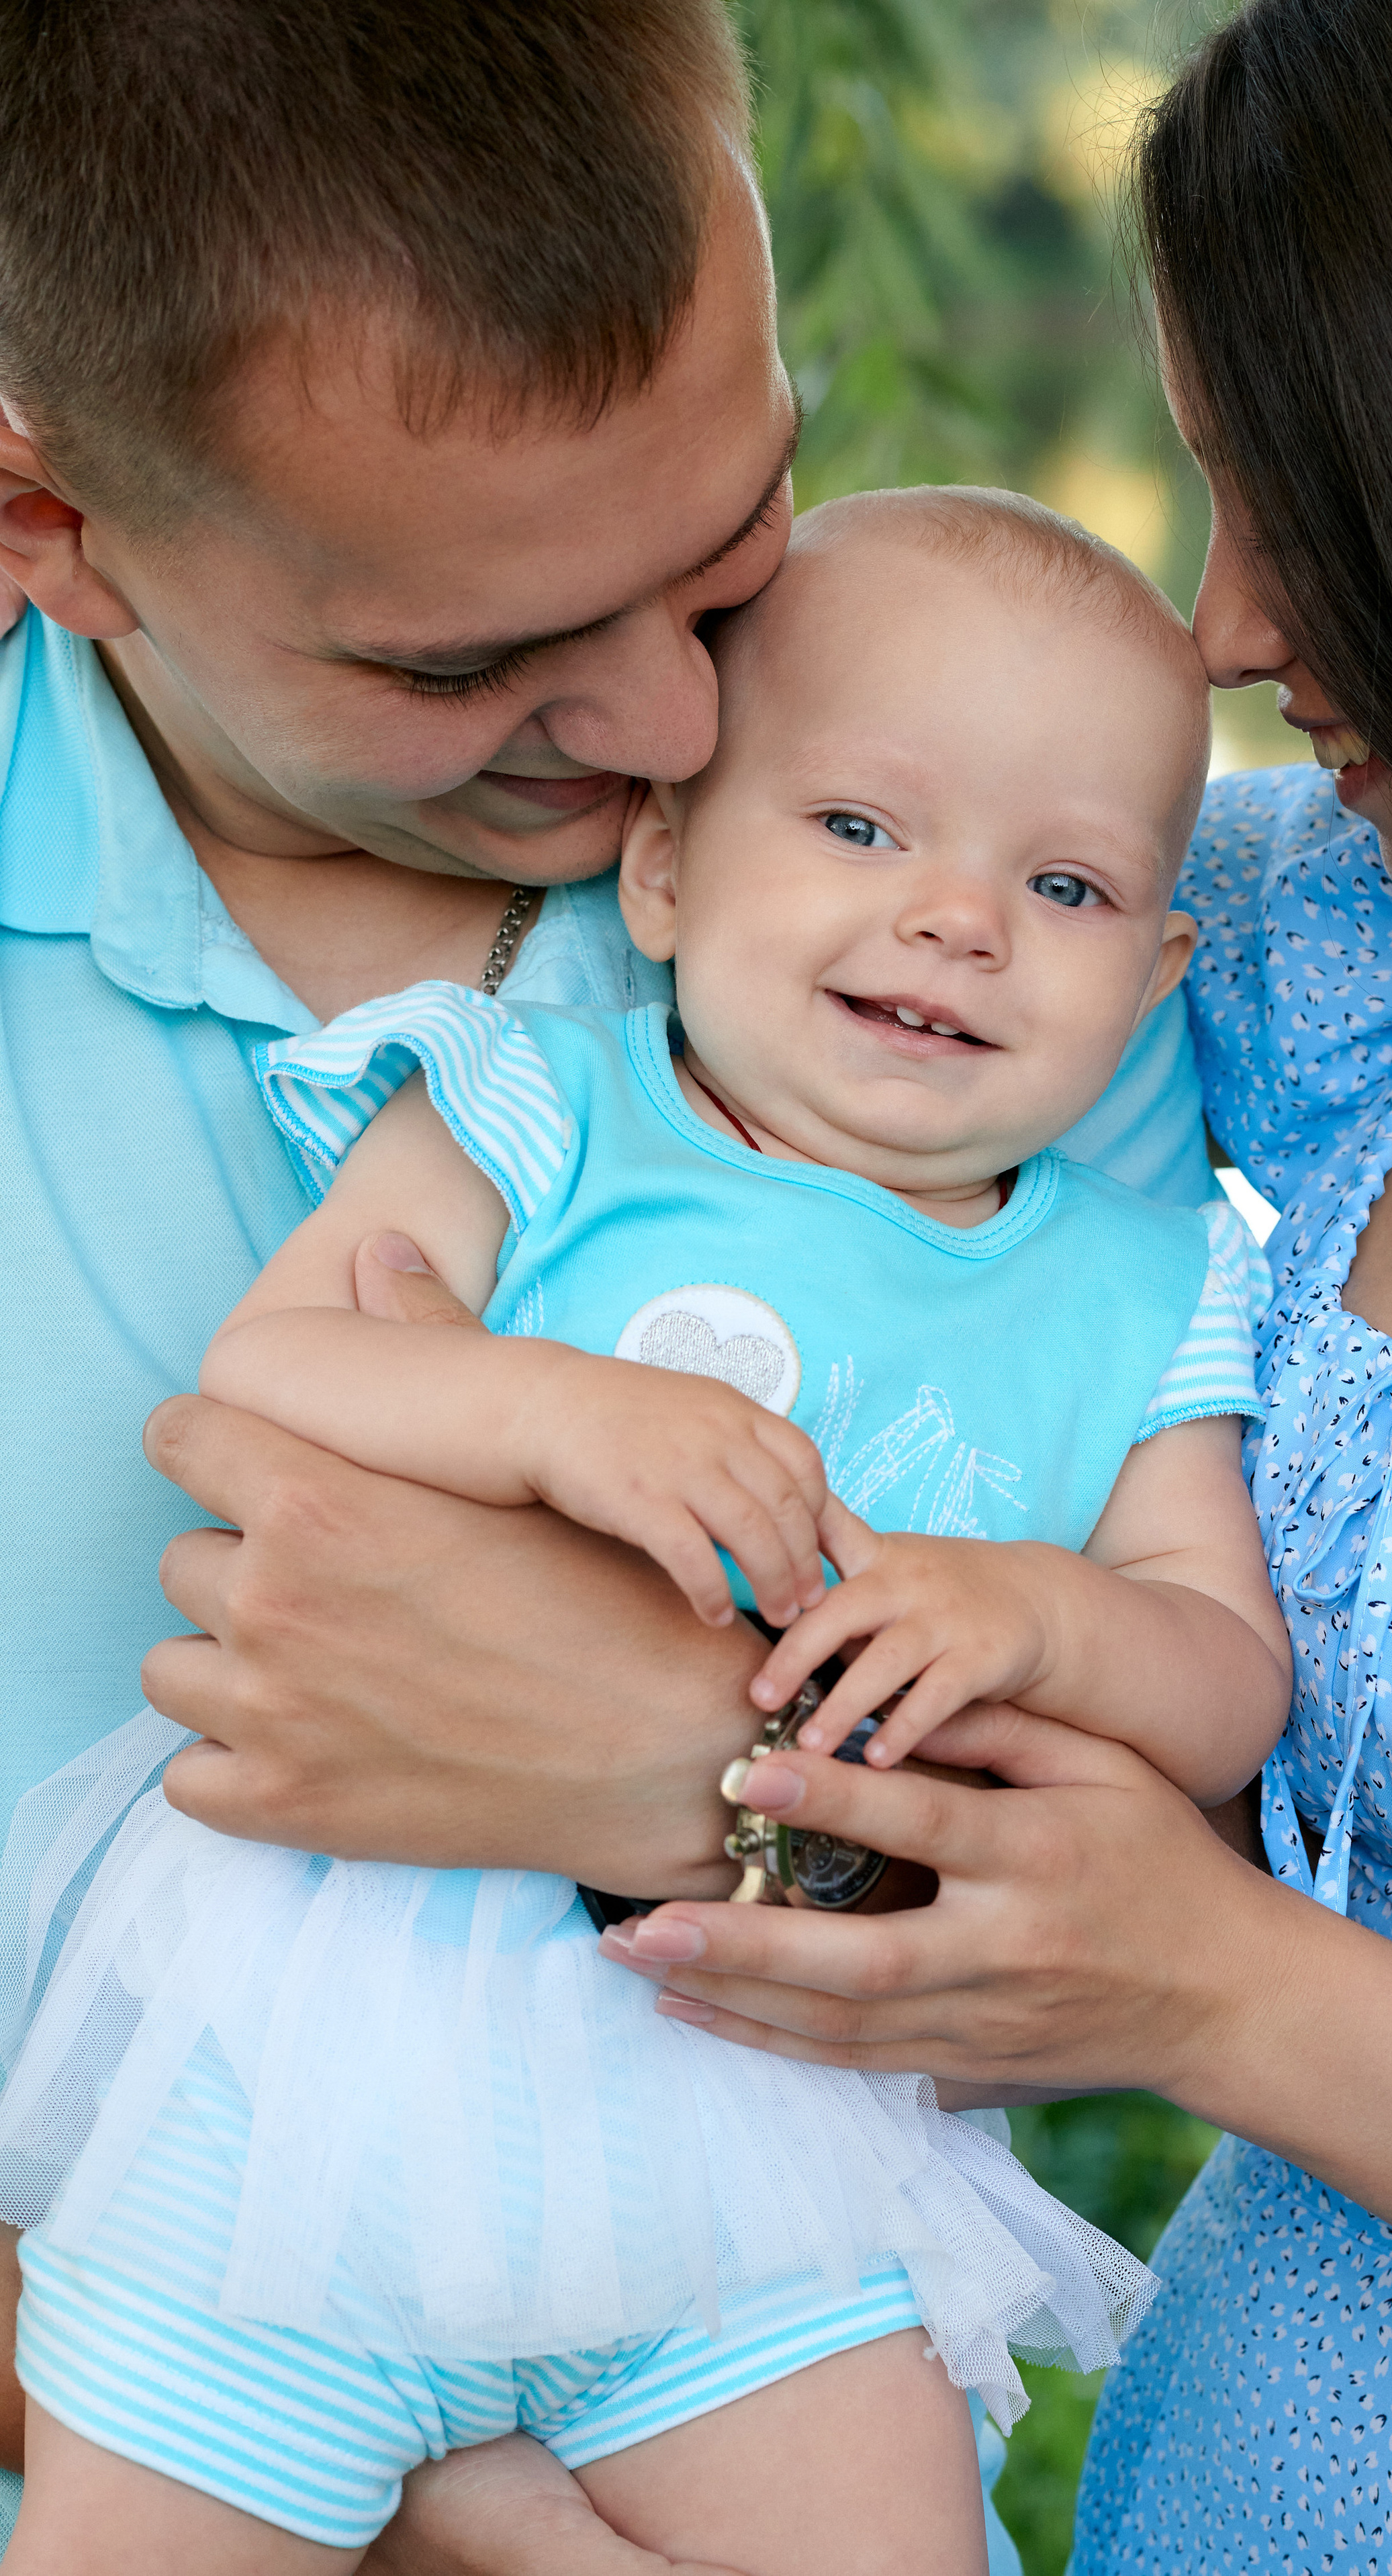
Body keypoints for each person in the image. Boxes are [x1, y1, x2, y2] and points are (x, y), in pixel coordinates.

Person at [0, 1, 1221, 2560]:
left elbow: (1183, 1818)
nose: (679, 716)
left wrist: (670, 1765)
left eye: (734, 535)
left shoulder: (962, 945)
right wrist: (467, 2515)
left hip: (752, 2299)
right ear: (46, 518)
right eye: (468, 661)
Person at [590, 3, 1392, 2569]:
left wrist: (1216, 1988)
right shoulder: (1342, 957)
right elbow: (736, 909)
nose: (1219, 627)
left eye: (1297, 506)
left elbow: (1203, 1944)